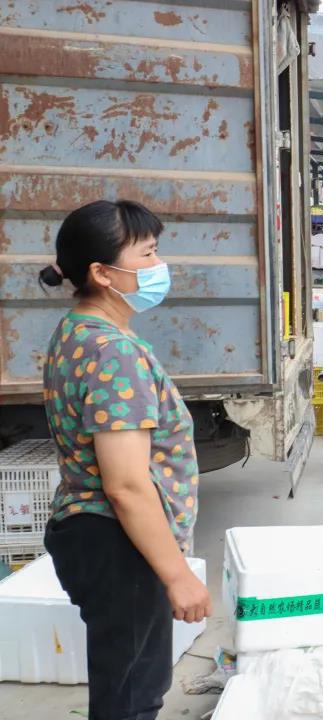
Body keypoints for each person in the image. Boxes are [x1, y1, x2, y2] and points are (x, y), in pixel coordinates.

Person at [37, 200, 212, 719]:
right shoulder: (113, 351)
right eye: (148, 254)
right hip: (118, 542)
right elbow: (127, 484)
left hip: (93, 534)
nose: (160, 266)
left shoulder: (75, 330)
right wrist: (177, 575)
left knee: (123, 687)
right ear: (102, 273)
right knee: (132, 698)